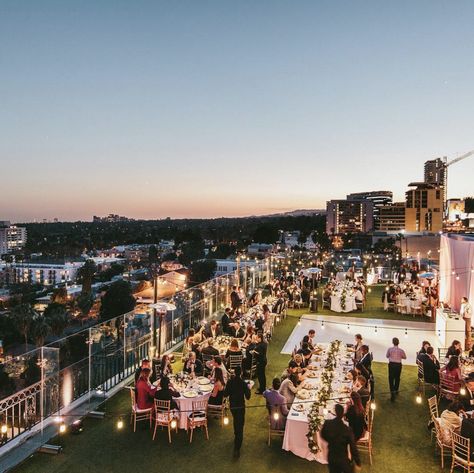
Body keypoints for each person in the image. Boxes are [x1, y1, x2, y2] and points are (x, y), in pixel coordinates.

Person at [320, 403, 361, 473]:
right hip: (342, 458)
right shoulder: (347, 430)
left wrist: (330, 440)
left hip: (331, 456)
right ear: (343, 414)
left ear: (335, 412)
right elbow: (353, 447)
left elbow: (322, 435)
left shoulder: (327, 423)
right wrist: (358, 462)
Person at [223, 366, 251, 458]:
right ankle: (237, 447)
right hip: (240, 406)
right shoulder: (243, 383)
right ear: (241, 373)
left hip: (233, 407)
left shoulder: (230, 382)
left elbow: (225, 394)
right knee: (240, 424)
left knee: (236, 421)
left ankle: (236, 435)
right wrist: (249, 388)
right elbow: (248, 397)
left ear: (234, 372)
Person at [386, 337, 406, 401]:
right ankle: (396, 390)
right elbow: (405, 357)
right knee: (397, 378)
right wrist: (399, 356)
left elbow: (387, 356)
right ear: (398, 343)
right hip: (398, 365)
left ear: (393, 342)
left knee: (391, 378)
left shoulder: (390, 349)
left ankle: (392, 393)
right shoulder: (401, 350)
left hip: (391, 364)